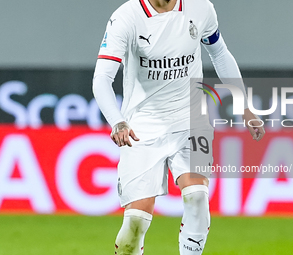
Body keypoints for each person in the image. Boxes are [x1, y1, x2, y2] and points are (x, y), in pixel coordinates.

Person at [92, 0, 265, 254]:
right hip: (142, 128)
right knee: (136, 222)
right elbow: (102, 78)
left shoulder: (201, 8)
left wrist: (244, 105)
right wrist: (117, 121)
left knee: (197, 197)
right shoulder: (126, 18)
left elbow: (220, 53)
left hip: (191, 120)